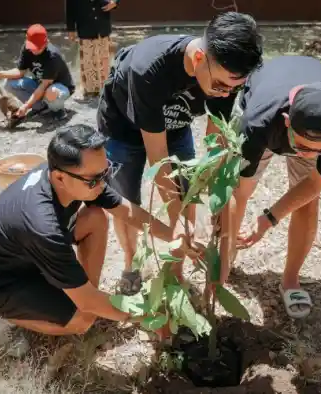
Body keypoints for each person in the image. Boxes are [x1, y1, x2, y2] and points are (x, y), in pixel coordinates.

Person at [0, 124, 203, 357]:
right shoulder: (42, 225)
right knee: (82, 320)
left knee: (95, 218)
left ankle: (83, 293)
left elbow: (125, 210)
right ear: (59, 177)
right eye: (93, 179)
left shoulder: (75, 177)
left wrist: (176, 236)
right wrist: (148, 316)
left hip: (27, 257)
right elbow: (88, 303)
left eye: (105, 173)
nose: (101, 184)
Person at [97, 11, 263, 295]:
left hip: (175, 128)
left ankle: (176, 272)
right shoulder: (149, 69)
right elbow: (158, 159)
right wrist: (178, 223)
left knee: (187, 198)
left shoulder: (228, 75)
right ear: (199, 58)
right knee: (127, 202)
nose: (225, 94)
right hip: (123, 129)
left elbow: (215, 138)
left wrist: (218, 197)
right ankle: (130, 264)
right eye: (221, 86)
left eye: (234, 88)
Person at [220, 55, 321, 319]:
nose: (309, 155)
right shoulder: (257, 123)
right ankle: (226, 263)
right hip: (265, 105)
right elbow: (236, 193)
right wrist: (220, 271)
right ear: (287, 121)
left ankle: (290, 279)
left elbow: (313, 185)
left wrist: (269, 218)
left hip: (303, 94)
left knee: (307, 203)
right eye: (302, 147)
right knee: (239, 192)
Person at [0, 24, 75, 125]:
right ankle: (41, 107)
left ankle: (58, 110)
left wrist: (26, 106)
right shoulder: (27, 49)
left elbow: (44, 86)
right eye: (32, 47)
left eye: (37, 47)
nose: (34, 50)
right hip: (39, 84)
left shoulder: (53, 56)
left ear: (46, 43)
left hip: (60, 88)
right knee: (9, 83)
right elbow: (20, 72)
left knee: (51, 91)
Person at [66, 0, 119, 98]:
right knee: (88, 60)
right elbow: (70, 6)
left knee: (104, 59)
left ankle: (105, 88)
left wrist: (115, 2)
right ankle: (91, 90)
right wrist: (71, 28)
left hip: (102, 22)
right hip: (85, 24)